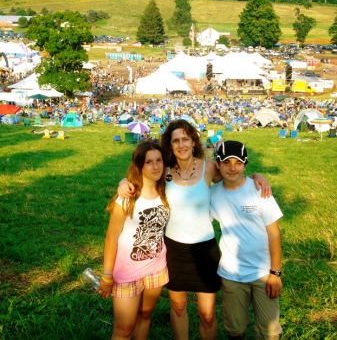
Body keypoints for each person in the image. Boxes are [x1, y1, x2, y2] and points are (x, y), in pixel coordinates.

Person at [118, 119, 272, 340]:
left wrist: (257, 176)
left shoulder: (209, 168)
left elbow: (234, 175)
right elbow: (140, 176)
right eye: (175, 140)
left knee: (207, 314)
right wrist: (123, 181)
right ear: (169, 145)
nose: (181, 145)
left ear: (193, 141)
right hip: (174, 250)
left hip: (205, 251)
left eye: (185, 139)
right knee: (178, 307)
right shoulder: (165, 171)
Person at [210, 140, 283, 340]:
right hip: (231, 274)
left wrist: (275, 273)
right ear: (218, 164)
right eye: (226, 162)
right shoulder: (212, 194)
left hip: (263, 273)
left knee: (269, 331)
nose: (232, 168)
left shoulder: (260, 190)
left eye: (238, 163)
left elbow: (274, 233)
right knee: (235, 329)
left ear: (245, 164)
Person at [98, 141, 170, 340]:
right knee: (123, 329)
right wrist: (106, 275)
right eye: (149, 162)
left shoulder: (166, 190)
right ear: (139, 165)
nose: (156, 166)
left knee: (145, 315)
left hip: (156, 267)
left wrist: (254, 177)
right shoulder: (127, 197)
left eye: (159, 161)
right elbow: (111, 238)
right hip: (127, 273)